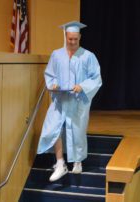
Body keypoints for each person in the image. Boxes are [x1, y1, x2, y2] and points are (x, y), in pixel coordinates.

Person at [36, 21, 102, 182]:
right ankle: (60, 163)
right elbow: (50, 74)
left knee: (77, 131)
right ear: (65, 36)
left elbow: (96, 78)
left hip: (78, 101)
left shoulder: (88, 56)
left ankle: (77, 161)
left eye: (75, 39)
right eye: (69, 39)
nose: (72, 42)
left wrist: (83, 86)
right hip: (60, 99)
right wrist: (53, 85)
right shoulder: (56, 55)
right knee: (53, 128)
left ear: (79, 37)